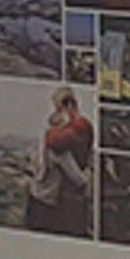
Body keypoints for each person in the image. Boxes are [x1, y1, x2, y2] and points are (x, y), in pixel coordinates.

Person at [32, 87, 96, 231]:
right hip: (49, 204)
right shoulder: (59, 144)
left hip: (38, 197)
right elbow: (79, 179)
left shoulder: (48, 137)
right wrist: (89, 174)